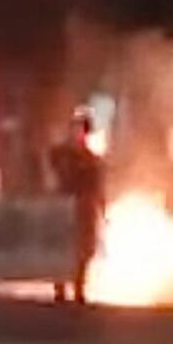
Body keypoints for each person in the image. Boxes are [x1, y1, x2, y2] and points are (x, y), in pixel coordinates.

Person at [48, 109, 103, 304]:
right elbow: (52, 171)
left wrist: (100, 209)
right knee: (63, 245)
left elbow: (97, 185)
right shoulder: (60, 154)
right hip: (64, 205)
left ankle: (78, 286)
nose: (79, 133)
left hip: (82, 206)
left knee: (83, 249)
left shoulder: (90, 159)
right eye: (76, 128)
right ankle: (60, 287)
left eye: (83, 129)